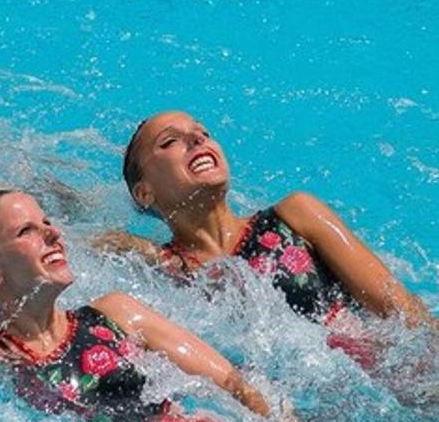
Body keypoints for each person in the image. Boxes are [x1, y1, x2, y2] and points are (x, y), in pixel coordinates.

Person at [0, 190, 280, 422]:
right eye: (27, 230)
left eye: (47, 222)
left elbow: (235, 384)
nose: (53, 234)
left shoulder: (117, 315)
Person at [99, 111, 438, 363]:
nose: (198, 139)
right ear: (144, 193)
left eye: (202, 132)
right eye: (170, 141)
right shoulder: (172, 269)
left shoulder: (295, 215)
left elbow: (403, 312)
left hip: (399, 376)